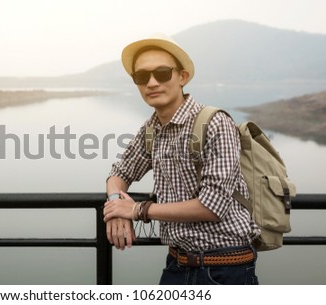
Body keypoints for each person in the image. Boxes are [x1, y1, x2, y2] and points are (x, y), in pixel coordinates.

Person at [103, 33, 260, 285]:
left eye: (162, 73)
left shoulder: (214, 123)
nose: (152, 82)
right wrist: (115, 205)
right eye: (142, 77)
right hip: (177, 264)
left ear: (182, 77)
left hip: (225, 267)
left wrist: (136, 210)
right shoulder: (152, 128)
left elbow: (212, 206)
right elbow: (119, 173)